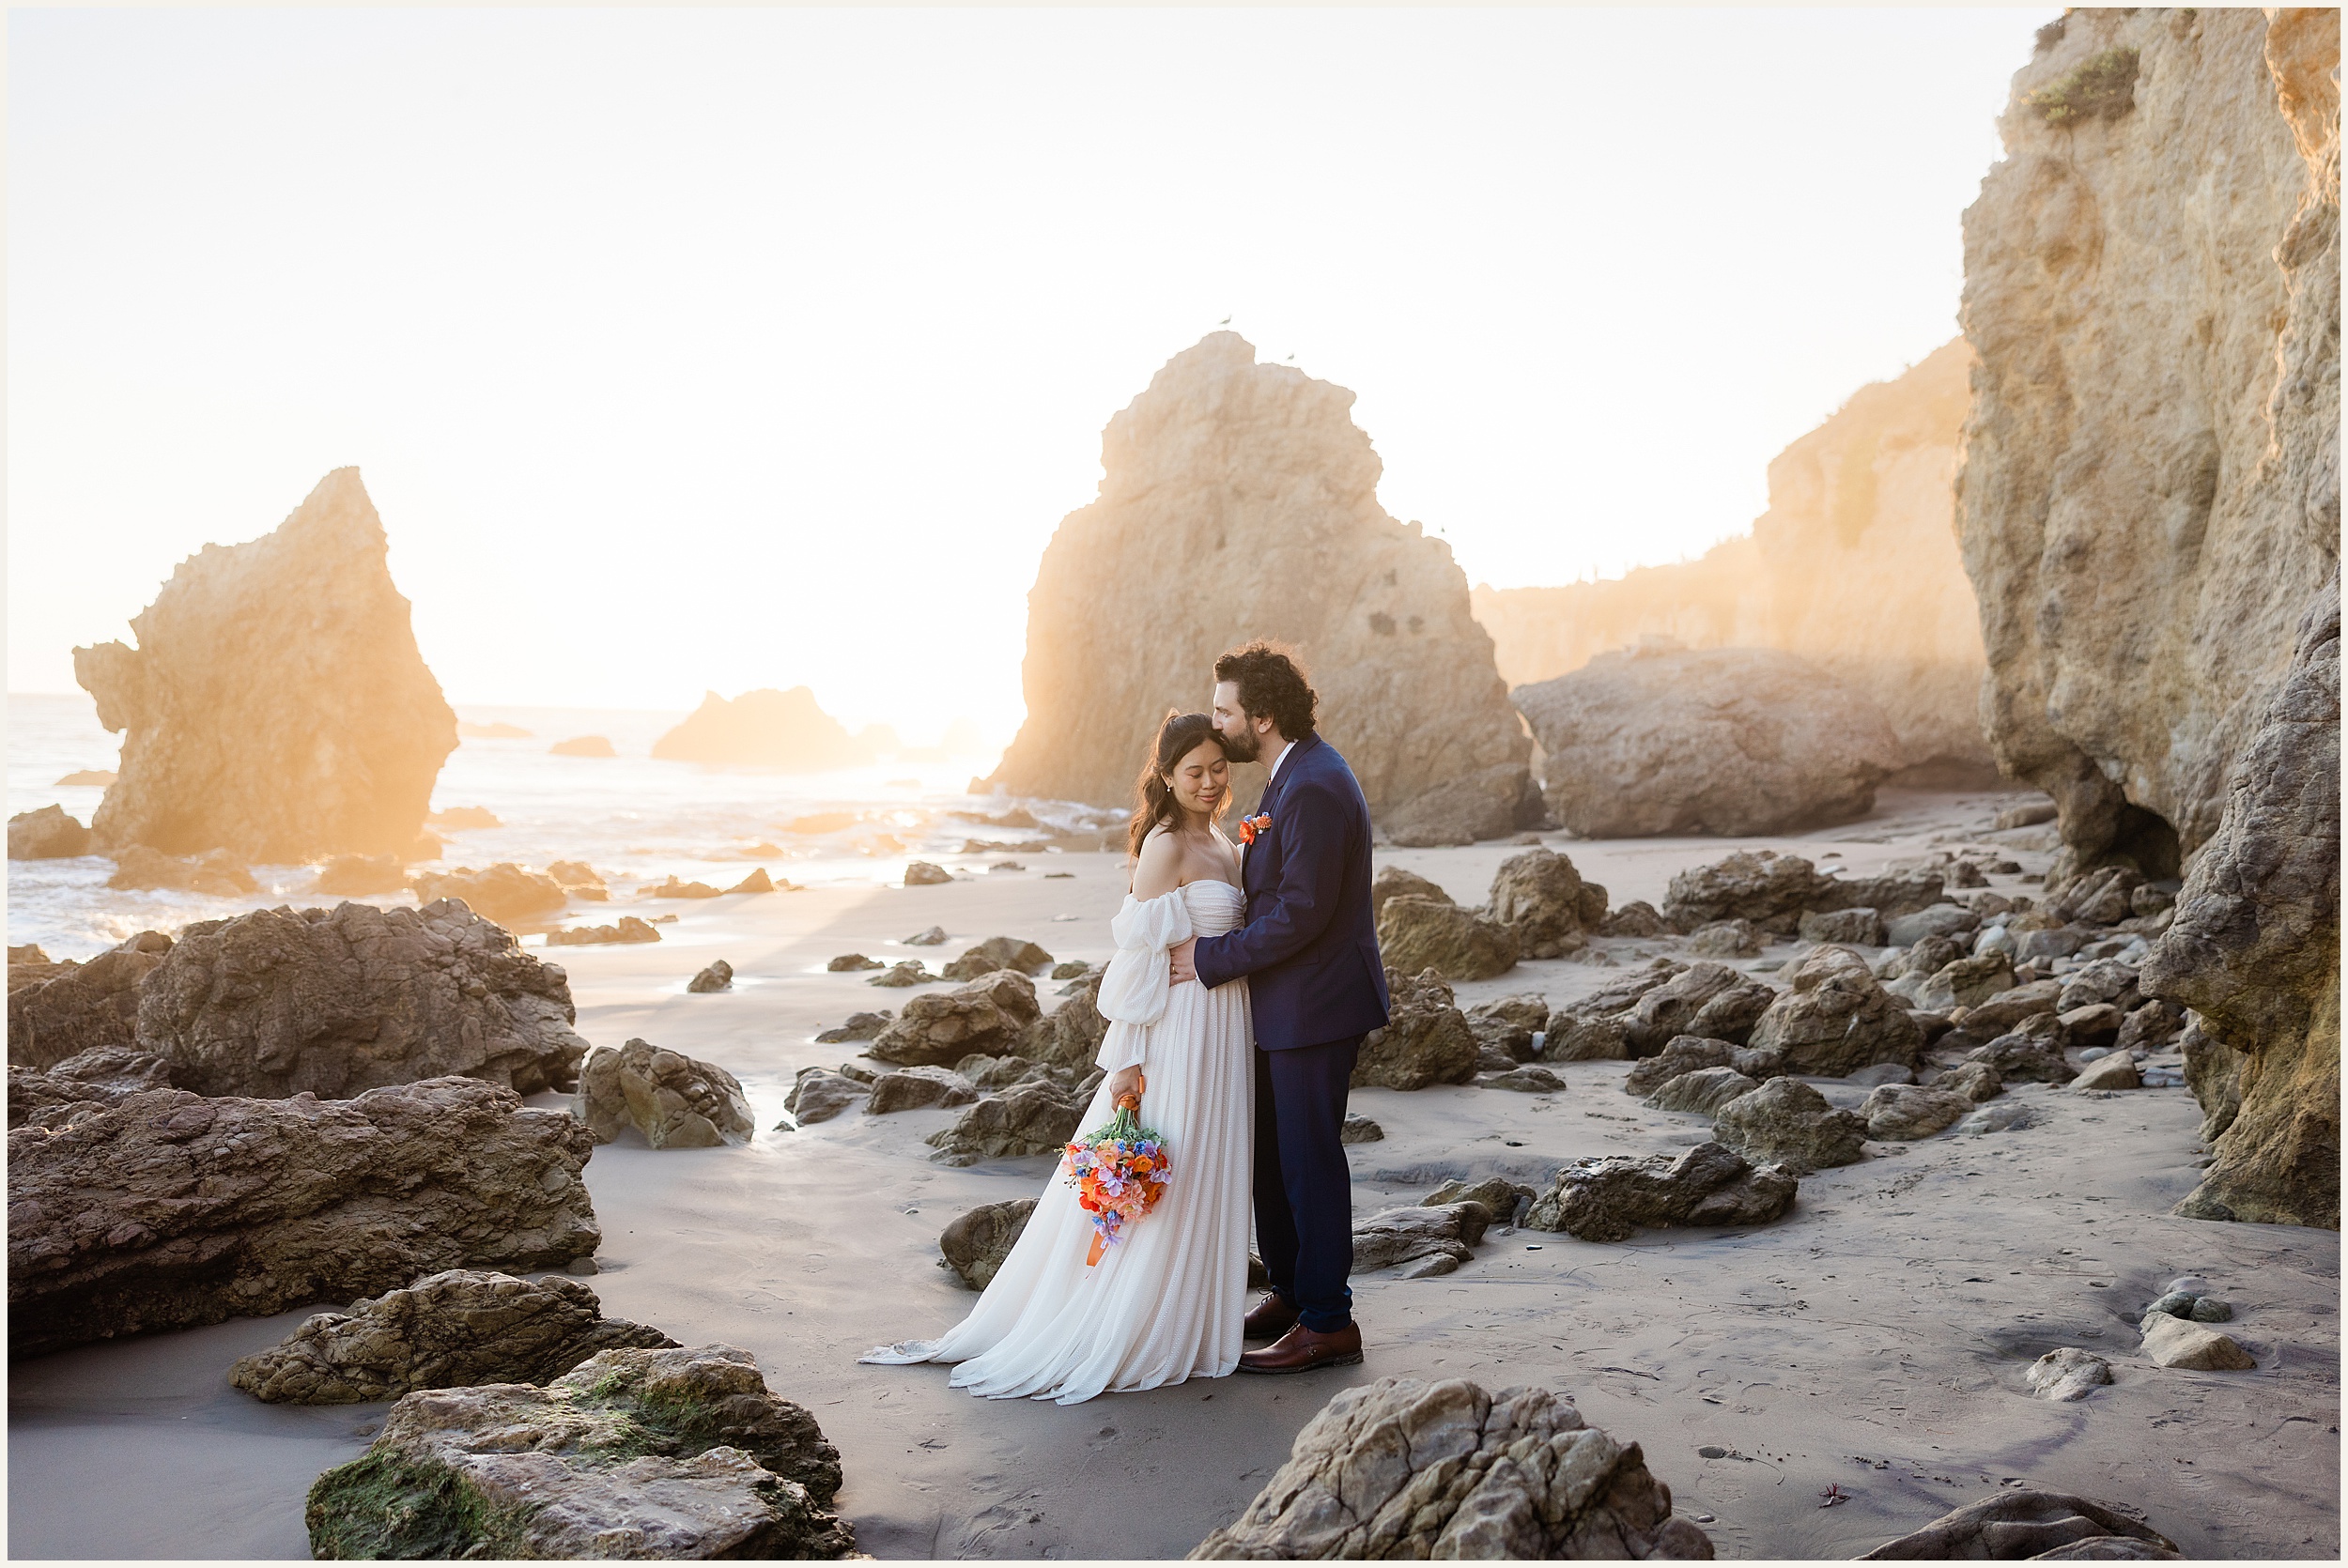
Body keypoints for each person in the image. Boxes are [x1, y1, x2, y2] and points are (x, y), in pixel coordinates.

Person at [858, 711, 1255, 1404]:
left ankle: (1189, 1318)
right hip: (1178, 1034)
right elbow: (1136, 962)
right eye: (1194, 771)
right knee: (1173, 1170)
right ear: (1166, 777)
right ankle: (1135, 1320)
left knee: (1209, 1166)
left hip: (1222, 1028)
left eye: (1218, 768)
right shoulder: (1166, 846)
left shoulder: (1222, 840)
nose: (1209, 781)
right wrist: (1127, 1061)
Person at [1170, 640, 1389, 1375]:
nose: (1217, 720)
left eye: (1227, 710)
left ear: (1259, 717)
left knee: (1309, 1163)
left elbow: (1301, 913)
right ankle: (1294, 1293)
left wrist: (1207, 961)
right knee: (1272, 1160)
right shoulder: (1290, 777)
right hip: (1282, 1008)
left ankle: (1329, 1322)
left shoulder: (1317, 785)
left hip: (1317, 1007)